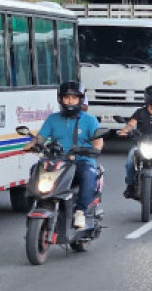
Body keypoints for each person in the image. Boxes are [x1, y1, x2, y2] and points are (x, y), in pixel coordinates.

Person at [26, 81, 103, 229]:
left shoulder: (90, 120)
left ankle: (80, 211)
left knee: (88, 174)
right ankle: (36, 204)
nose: (70, 101)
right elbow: (41, 138)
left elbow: (98, 142)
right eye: (66, 97)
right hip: (57, 159)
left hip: (82, 160)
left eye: (74, 98)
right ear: (60, 99)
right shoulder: (52, 118)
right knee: (35, 170)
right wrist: (32, 145)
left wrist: (94, 150)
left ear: (80, 100)